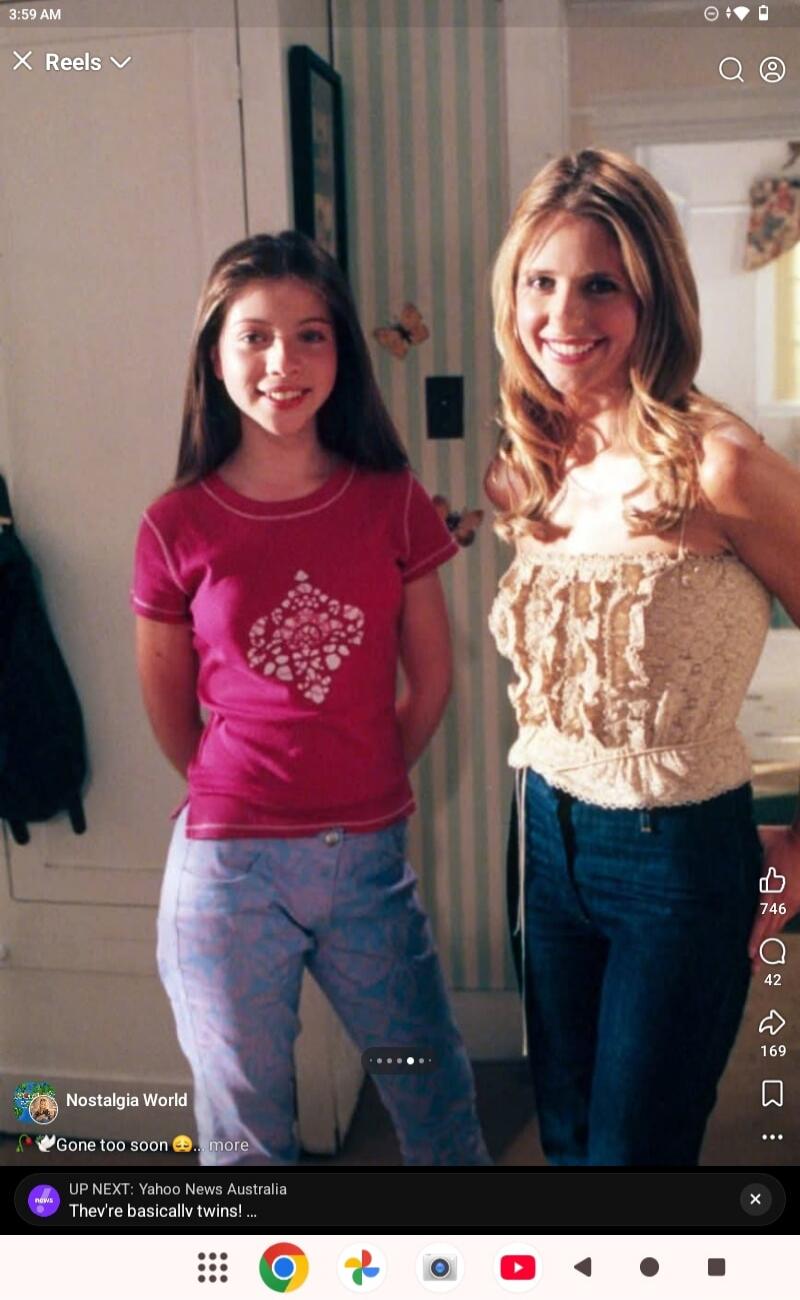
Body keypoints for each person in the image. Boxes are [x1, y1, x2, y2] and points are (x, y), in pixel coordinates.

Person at [131, 230, 489, 1167]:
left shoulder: (393, 500)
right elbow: (171, 710)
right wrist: (245, 788)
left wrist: (359, 772)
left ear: (344, 352)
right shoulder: (176, 524)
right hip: (226, 878)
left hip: (368, 868)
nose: (283, 363)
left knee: (433, 1091)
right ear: (215, 356)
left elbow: (433, 678)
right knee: (248, 1131)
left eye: (311, 334)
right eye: (254, 336)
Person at [486, 149, 800, 1166]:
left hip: (677, 855)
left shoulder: (721, 463)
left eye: (598, 283)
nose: (562, 314)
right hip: (542, 830)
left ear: (650, 294)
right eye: (540, 281)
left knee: (631, 1155)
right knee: (567, 1137)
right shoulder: (530, 468)